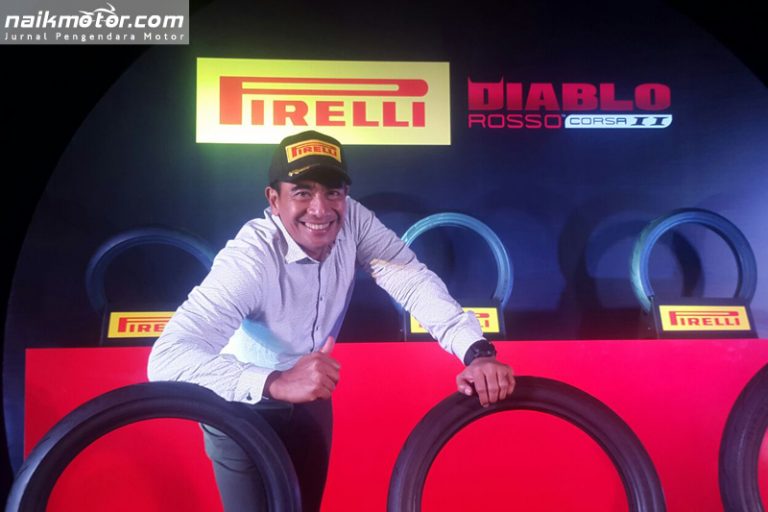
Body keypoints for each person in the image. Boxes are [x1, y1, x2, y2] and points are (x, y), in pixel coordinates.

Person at [147, 130, 514, 511]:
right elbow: (167, 359)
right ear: (274, 199)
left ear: (346, 194)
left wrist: (477, 352)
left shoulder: (354, 218)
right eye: (302, 192)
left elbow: (411, 280)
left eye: (333, 192)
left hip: (311, 399)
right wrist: (274, 381)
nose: (321, 209)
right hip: (239, 406)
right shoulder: (250, 259)